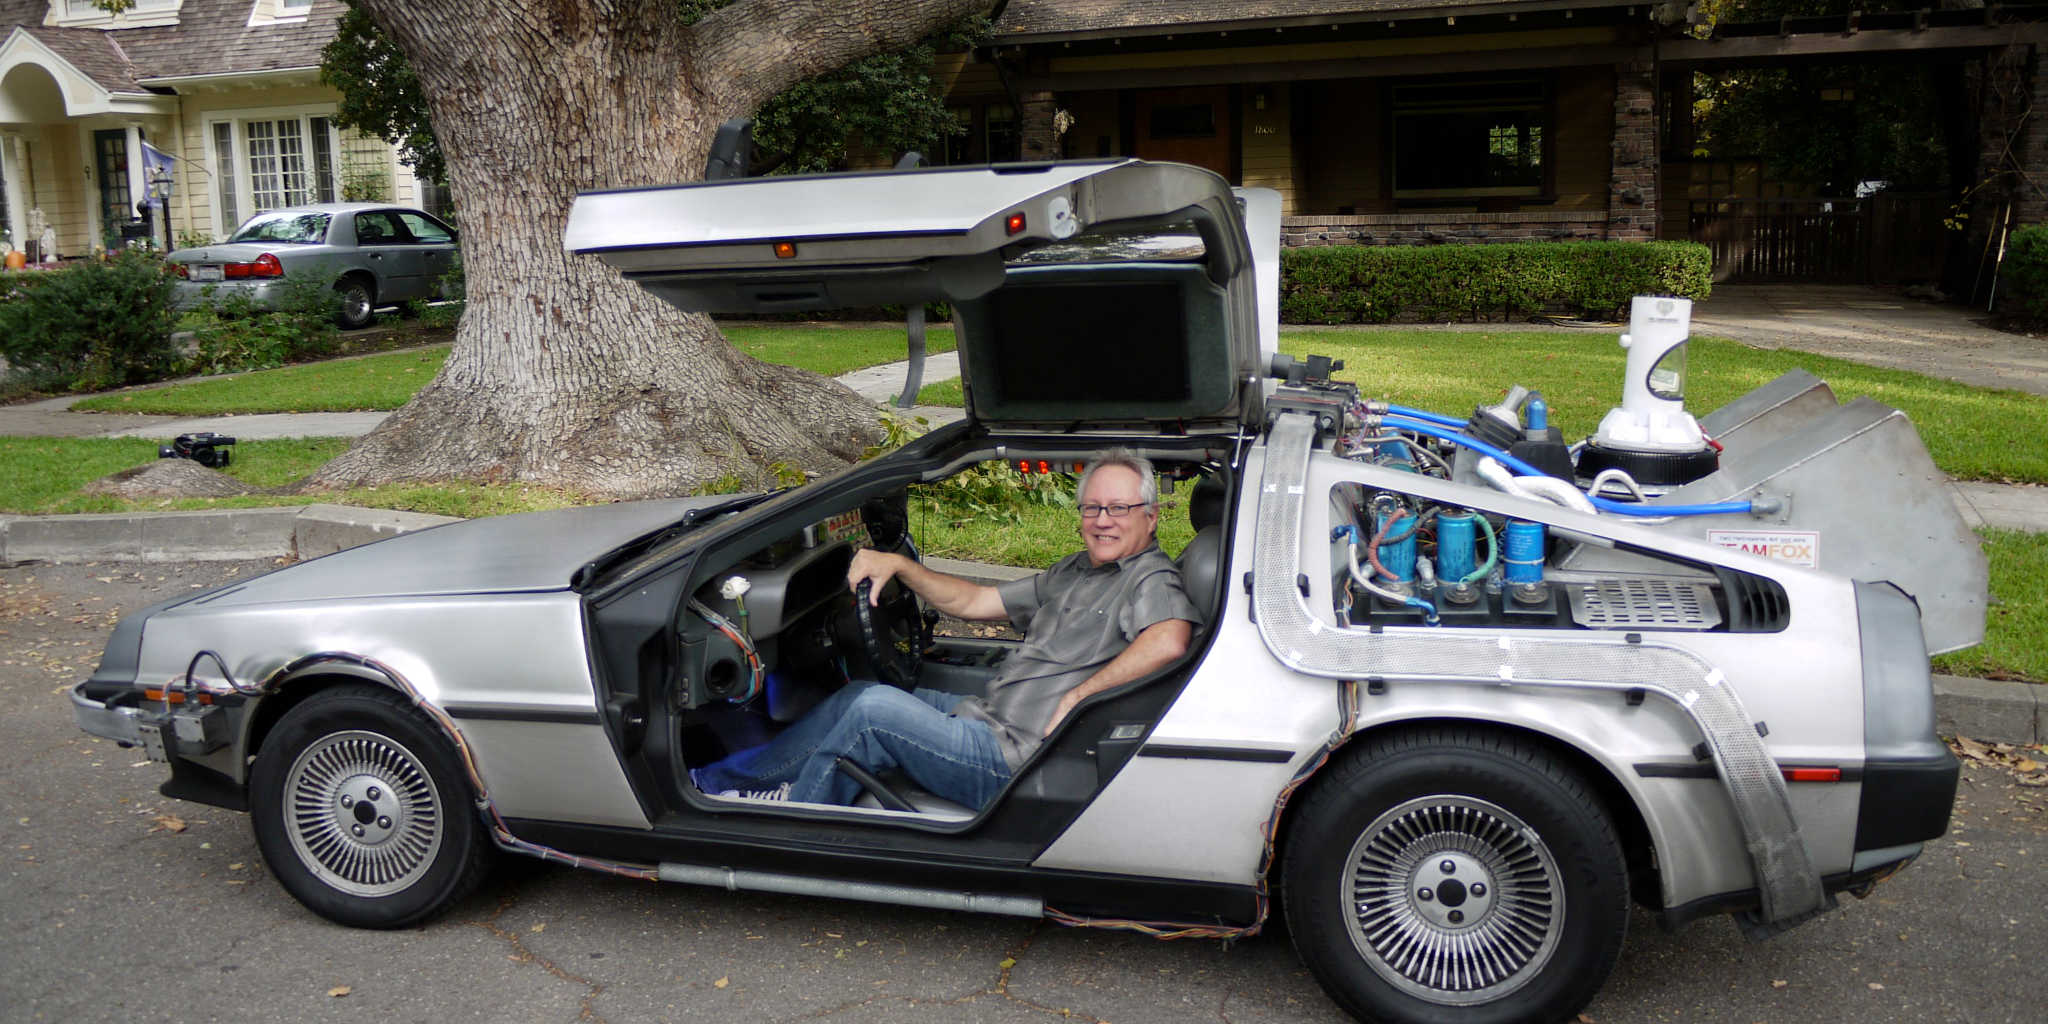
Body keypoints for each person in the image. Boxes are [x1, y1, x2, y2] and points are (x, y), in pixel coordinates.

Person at [690, 449, 1201, 809]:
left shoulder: (1148, 576)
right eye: (1092, 507)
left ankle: (790, 823)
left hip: (1011, 758)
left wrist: (1078, 699)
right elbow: (978, 600)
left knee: (872, 712)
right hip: (985, 717)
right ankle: (714, 785)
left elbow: (1169, 637)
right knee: (862, 694)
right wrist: (901, 568)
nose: (1102, 520)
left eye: (1119, 509)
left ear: (1151, 518)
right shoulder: (1075, 570)